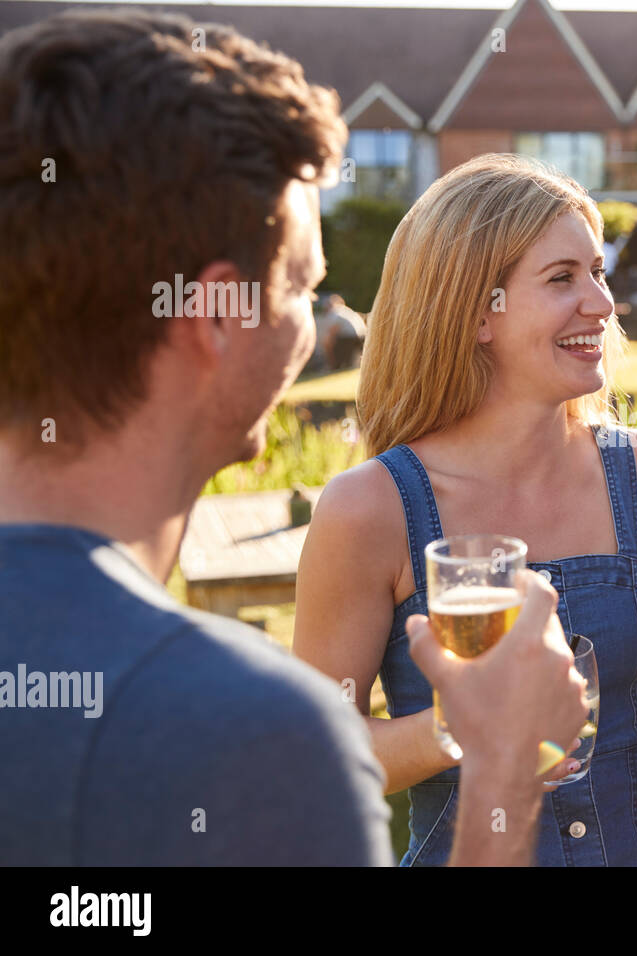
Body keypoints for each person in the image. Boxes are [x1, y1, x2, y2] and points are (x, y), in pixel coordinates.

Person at [0, 7, 585, 866]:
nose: (313, 333)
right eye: (303, 290)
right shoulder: (252, 736)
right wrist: (498, 759)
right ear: (219, 315)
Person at [293, 153, 637, 867]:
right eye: (562, 279)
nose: (601, 302)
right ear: (476, 313)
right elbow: (316, 753)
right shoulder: (371, 509)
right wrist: (465, 723)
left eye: (598, 272)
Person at [315, 293, 367, 370]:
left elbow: (333, 331)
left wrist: (327, 344)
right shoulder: (347, 310)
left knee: (335, 346)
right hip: (362, 336)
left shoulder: (334, 311)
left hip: (348, 337)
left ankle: (337, 366)